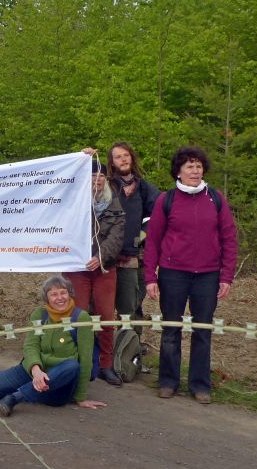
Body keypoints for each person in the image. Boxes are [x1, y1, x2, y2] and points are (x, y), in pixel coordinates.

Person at [144, 146, 238, 404]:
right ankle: (168, 381)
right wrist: (150, 277)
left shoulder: (216, 199)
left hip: (208, 275)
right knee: (171, 330)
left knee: (202, 331)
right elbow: (152, 240)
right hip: (173, 274)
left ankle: (200, 385)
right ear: (179, 171)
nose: (195, 171)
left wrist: (226, 276)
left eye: (198, 166)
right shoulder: (167, 200)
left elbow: (229, 238)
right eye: (189, 167)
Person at [0, 276, 107, 416]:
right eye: (54, 294)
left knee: (71, 365)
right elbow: (31, 346)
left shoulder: (81, 318)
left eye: (63, 292)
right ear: (47, 298)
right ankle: (28, 389)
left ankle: (14, 398)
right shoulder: (40, 315)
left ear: (69, 293)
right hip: (34, 372)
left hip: (58, 381)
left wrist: (80, 398)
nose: (60, 298)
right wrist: (36, 371)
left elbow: (85, 360)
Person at [63, 159, 125, 385]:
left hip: (104, 268)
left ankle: (106, 364)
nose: (97, 179)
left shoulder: (115, 205)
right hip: (78, 268)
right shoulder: (74, 202)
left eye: (101, 176)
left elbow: (117, 237)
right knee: (78, 316)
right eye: (92, 176)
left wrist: (100, 258)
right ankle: (78, 361)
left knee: (106, 316)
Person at [107, 142, 160, 335]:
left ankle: (130, 356)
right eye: (118, 157)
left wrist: (140, 237)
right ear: (112, 163)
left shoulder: (143, 187)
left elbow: (159, 214)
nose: (123, 159)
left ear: (132, 157)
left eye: (126, 155)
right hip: (105, 258)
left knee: (130, 309)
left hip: (131, 259)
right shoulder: (106, 185)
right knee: (99, 309)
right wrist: (85, 157)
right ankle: (100, 356)